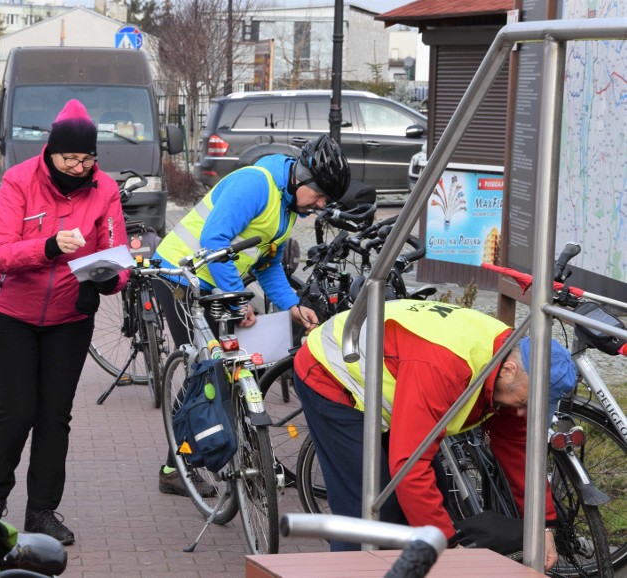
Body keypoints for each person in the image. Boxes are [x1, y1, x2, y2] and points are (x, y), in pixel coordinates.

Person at [292, 299, 576, 571]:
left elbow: (519, 451)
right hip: (332, 376)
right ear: (510, 370)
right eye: (525, 403)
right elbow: (410, 468)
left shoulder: (511, 364)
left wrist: (544, 526)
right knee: (369, 507)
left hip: (393, 376)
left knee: (434, 493)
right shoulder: (446, 368)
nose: (523, 413)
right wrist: (448, 549)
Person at [153, 133, 350, 496]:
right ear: (301, 176)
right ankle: (174, 465)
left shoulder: (289, 206)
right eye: (319, 195)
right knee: (206, 371)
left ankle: (245, 454)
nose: (319, 205)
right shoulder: (255, 185)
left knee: (230, 368)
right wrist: (236, 301)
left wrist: (292, 305)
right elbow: (215, 241)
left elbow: (268, 264)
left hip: (214, 283)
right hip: (179, 276)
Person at [0, 99, 129, 546]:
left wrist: (105, 280)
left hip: (69, 317)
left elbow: (117, 254)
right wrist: (48, 247)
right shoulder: (19, 181)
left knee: (54, 416)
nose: (80, 167)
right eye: (71, 158)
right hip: (10, 315)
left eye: (88, 159)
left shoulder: (104, 190)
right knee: (18, 409)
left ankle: (42, 511)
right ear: (51, 151)